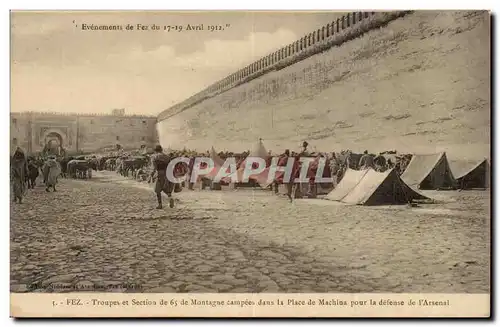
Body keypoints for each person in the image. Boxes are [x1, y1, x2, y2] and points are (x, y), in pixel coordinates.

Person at [152, 145, 175, 209]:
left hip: (159, 174)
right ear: (161, 150)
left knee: (157, 190)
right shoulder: (167, 157)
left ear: (155, 150)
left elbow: (154, 168)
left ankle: (160, 205)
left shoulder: (155, 157)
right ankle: (170, 197)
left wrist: (151, 175)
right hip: (166, 174)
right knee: (165, 188)